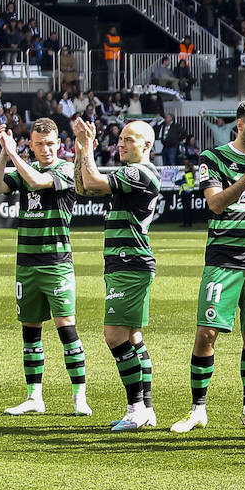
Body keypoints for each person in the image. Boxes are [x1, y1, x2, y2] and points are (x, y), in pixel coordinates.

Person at [170, 99, 245, 434]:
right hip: (223, 260)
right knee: (206, 333)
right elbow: (215, 204)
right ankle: (198, 409)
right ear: (240, 125)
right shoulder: (212, 157)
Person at [0, 118, 90, 418]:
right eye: (39, 144)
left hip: (56, 263)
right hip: (26, 264)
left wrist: (14, 154)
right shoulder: (25, 167)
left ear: (59, 143)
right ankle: (34, 397)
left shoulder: (65, 169)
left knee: (66, 328)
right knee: (30, 332)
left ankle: (79, 395)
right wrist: (5, 154)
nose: (46, 149)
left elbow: (36, 182)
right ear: (31, 145)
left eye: (50, 143)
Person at [71, 118, 161, 432]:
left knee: (114, 336)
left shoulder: (139, 173)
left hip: (130, 263)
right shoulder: (131, 173)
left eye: (129, 139)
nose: (121, 144)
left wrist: (88, 147)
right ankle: (145, 409)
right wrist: (83, 148)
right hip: (125, 263)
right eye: (121, 138)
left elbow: (93, 181)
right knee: (133, 337)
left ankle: (136, 408)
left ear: (146, 145)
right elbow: (82, 187)